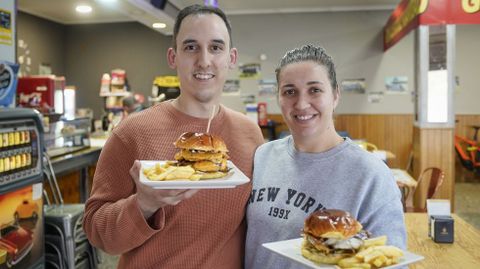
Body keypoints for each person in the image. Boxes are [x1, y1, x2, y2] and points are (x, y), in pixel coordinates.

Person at [83, 5, 264, 268]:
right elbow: (96, 231)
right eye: (191, 47)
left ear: (231, 58)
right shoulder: (131, 132)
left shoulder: (250, 134)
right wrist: (143, 204)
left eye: (216, 47)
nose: (204, 60)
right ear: (173, 57)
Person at [244, 44, 406, 268]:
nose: (301, 104)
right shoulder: (263, 156)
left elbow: (393, 260)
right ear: (279, 97)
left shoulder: (371, 175)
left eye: (315, 90)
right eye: (290, 91)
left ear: (335, 95)